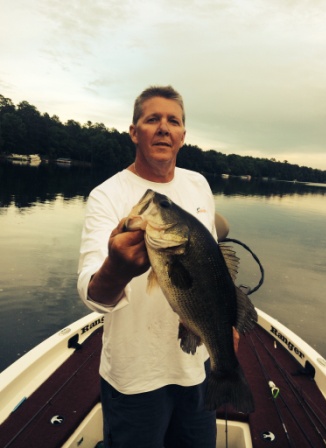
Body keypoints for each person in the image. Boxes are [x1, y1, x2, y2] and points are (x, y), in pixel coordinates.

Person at [77, 85, 231, 448]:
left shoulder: (198, 184)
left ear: (182, 136)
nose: (164, 127)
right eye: (152, 119)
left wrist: (226, 326)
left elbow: (213, 270)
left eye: (173, 121)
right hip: (135, 376)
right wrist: (116, 268)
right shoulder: (107, 195)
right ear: (134, 132)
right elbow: (92, 295)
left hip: (195, 368)